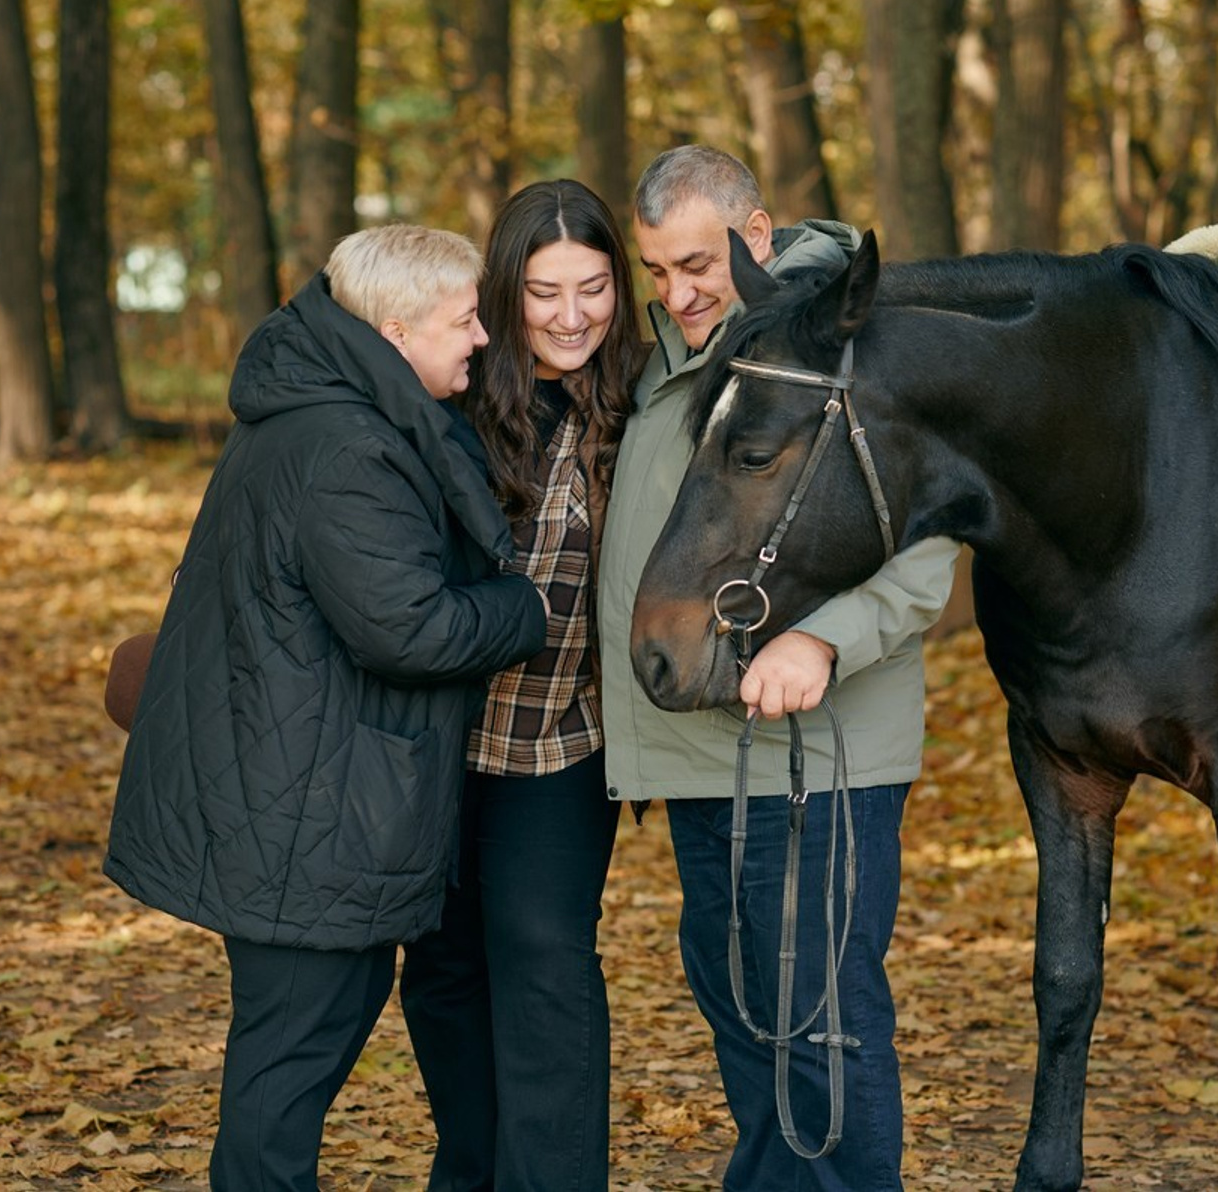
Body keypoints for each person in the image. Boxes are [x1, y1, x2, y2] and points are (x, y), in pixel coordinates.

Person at [103, 224, 550, 1192]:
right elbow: (412, 630)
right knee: (287, 1066)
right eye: (463, 319)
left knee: (289, 1052)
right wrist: (526, 605)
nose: (481, 338)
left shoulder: (320, 410)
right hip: (302, 811)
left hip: (292, 791)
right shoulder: (349, 446)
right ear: (394, 331)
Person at [598, 145, 960, 1191]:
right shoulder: (678, 347)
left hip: (816, 757)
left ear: (757, 233)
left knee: (816, 1021)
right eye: (655, 270)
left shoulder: (857, 339)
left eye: (697, 263)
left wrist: (824, 637)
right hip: (700, 747)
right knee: (742, 1011)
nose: (676, 292)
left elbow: (931, 528)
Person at [400, 179, 647, 1192]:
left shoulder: (642, 401)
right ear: (506, 294)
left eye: (591, 287)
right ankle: (471, 1173)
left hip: (560, 736)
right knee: (444, 975)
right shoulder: (451, 396)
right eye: (545, 292)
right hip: (438, 735)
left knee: (542, 955)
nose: (571, 315)